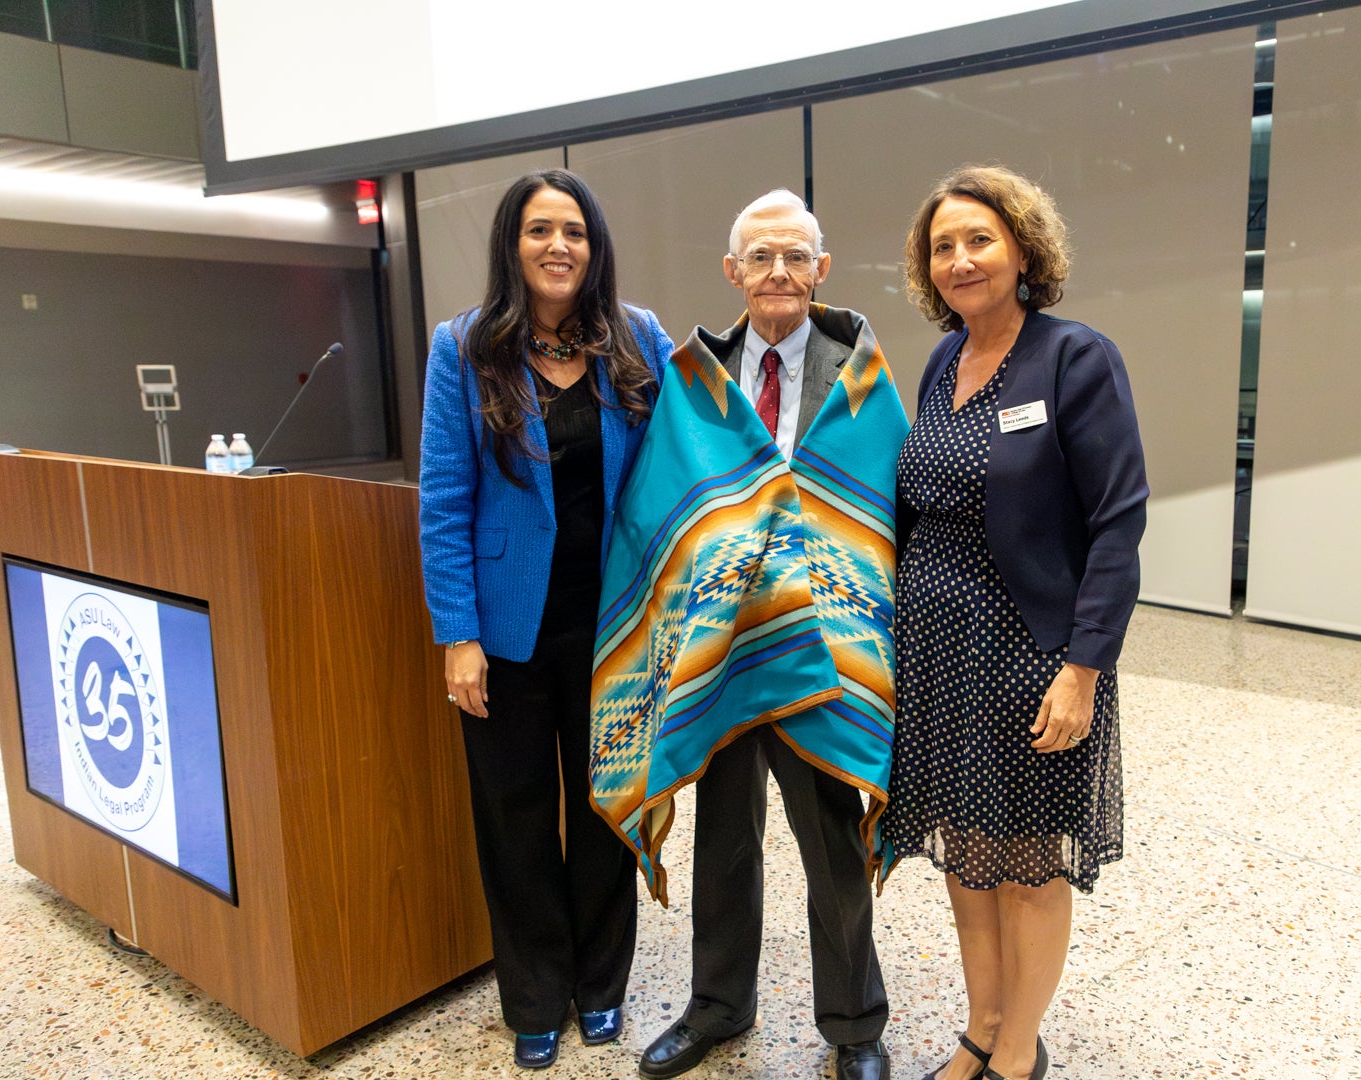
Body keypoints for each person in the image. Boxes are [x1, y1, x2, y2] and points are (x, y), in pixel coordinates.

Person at [878, 165, 1148, 1080]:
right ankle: (982, 1024)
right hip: (941, 652)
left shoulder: (1075, 356)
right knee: (968, 851)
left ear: (1023, 249)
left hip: (1033, 653)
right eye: (943, 246)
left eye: (979, 239)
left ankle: (1021, 1048)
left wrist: (1085, 667)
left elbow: (1118, 517)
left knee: (1029, 862)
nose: (961, 259)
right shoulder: (940, 361)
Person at [417, 168, 674, 1070]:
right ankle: (532, 996)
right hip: (507, 633)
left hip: (612, 631)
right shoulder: (465, 347)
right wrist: (459, 636)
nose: (557, 245)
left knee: (607, 813)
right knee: (515, 817)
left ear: (594, 246)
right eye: (538, 230)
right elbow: (444, 501)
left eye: (573, 230)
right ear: (512, 246)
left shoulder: (638, 339)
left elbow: (687, 460)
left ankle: (602, 987)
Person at [635, 190, 893, 1080]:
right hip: (726, 644)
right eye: (759, 258)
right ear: (731, 272)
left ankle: (856, 1027)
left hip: (821, 650)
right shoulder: (693, 378)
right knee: (724, 837)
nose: (777, 273)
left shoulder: (859, 369)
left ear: (823, 270)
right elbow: (665, 499)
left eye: (795, 257)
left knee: (832, 841)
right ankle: (717, 1005)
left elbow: (881, 505)